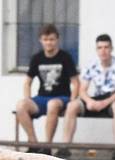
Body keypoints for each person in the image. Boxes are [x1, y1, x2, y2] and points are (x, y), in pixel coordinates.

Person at [60, 34, 115, 159]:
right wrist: (89, 101)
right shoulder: (91, 64)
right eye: (100, 48)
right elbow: (82, 90)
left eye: (106, 47)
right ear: (96, 50)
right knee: (72, 105)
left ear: (111, 49)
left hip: (113, 98)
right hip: (96, 99)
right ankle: (65, 147)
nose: (103, 51)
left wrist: (104, 103)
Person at [15, 23, 79, 152]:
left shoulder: (65, 57)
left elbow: (76, 82)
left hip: (61, 98)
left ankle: (47, 146)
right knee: (21, 105)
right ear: (40, 40)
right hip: (42, 98)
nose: (48, 43)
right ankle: (33, 144)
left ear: (57, 40)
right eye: (45, 39)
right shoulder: (37, 58)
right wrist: (28, 98)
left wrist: (72, 100)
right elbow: (27, 82)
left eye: (51, 39)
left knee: (52, 104)